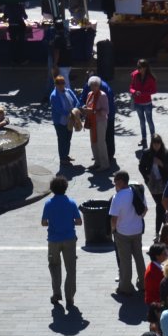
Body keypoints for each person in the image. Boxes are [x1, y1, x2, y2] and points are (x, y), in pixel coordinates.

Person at [41, 176, 82, 308]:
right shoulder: (71, 203)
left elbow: (43, 222)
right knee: (71, 269)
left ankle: (56, 293)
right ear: (65, 188)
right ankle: (69, 297)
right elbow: (79, 221)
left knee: (54, 266)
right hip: (69, 239)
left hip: (54, 240)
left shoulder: (48, 204)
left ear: (52, 189)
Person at [110, 171, 147, 296]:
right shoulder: (137, 191)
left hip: (123, 233)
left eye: (115, 182)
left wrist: (113, 229)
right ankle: (143, 283)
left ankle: (125, 287)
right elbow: (145, 209)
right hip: (137, 231)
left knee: (125, 260)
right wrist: (137, 219)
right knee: (139, 257)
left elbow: (114, 218)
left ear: (120, 182)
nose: (115, 185)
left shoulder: (118, 197)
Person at [49, 75, 81, 164]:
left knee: (68, 138)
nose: (61, 85)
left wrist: (75, 109)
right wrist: (70, 114)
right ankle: (62, 158)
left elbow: (76, 101)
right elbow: (59, 110)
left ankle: (66, 155)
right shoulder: (54, 96)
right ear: (55, 84)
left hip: (70, 120)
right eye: (58, 83)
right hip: (60, 122)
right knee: (62, 139)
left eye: (62, 83)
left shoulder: (68, 91)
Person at [83, 76, 111, 169]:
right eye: (91, 85)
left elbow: (106, 111)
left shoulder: (103, 95)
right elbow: (88, 105)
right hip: (92, 121)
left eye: (95, 85)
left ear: (98, 85)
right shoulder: (89, 94)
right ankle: (97, 162)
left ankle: (105, 164)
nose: (93, 87)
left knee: (101, 142)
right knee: (93, 142)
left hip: (100, 122)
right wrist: (85, 109)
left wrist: (95, 112)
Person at [130, 59, 158, 145]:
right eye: (137, 67)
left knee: (149, 121)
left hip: (147, 103)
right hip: (138, 103)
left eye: (140, 67)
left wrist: (143, 93)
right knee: (142, 122)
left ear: (145, 68)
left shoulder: (150, 77)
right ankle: (144, 139)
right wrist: (134, 92)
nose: (138, 69)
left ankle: (154, 139)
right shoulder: (135, 75)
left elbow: (154, 90)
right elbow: (131, 87)